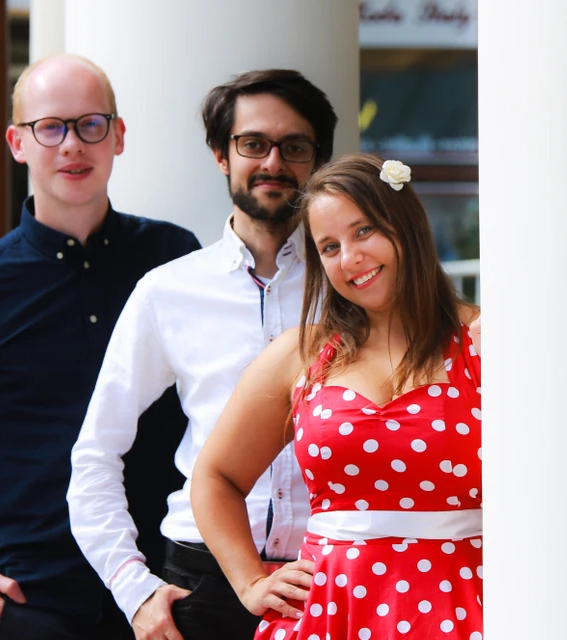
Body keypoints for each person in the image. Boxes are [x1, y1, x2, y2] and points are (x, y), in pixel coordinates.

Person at [0, 53, 200, 640]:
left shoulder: (173, 259)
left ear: (118, 136)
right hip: (30, 604)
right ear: (17, 143)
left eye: (90, 125)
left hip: (166, 595)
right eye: (50, 127)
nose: (72, 145)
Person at [67, 69, 338, 640]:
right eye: (253, 144)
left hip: (329, 576)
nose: (273, 162)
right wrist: (134, 591)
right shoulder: (167, 291)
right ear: (221, 155)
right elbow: (94, 455)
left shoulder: (353, 287)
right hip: (204, 584)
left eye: (295, 147)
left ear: (317, 160)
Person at [190, 153, 484, 639]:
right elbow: (214, 476)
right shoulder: (300, 355)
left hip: (463, 608)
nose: (349, 259)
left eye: (363, 231)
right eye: (329, 247)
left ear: (406, 224)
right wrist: (249, 582)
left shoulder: (483, 341)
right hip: (329, 614)